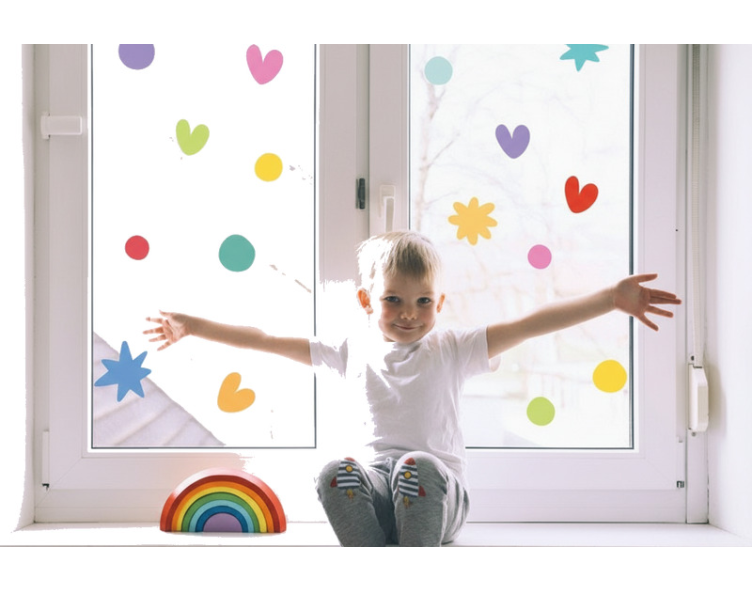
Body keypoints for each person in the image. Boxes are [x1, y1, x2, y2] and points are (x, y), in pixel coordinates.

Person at [144, 230, 681, 546]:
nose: (409, 314)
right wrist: (194, 325)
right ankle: (377, 556)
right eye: (393, 300)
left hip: (439, 490)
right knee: (335, 472)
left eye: (423, 301)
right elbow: (264, 340)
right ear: (366, 301)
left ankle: (415, 566)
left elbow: (531, 323)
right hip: (378, 489)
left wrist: (610, 299)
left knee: (416, 467)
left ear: (439, 303)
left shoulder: (454, 348)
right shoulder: (350, 349)